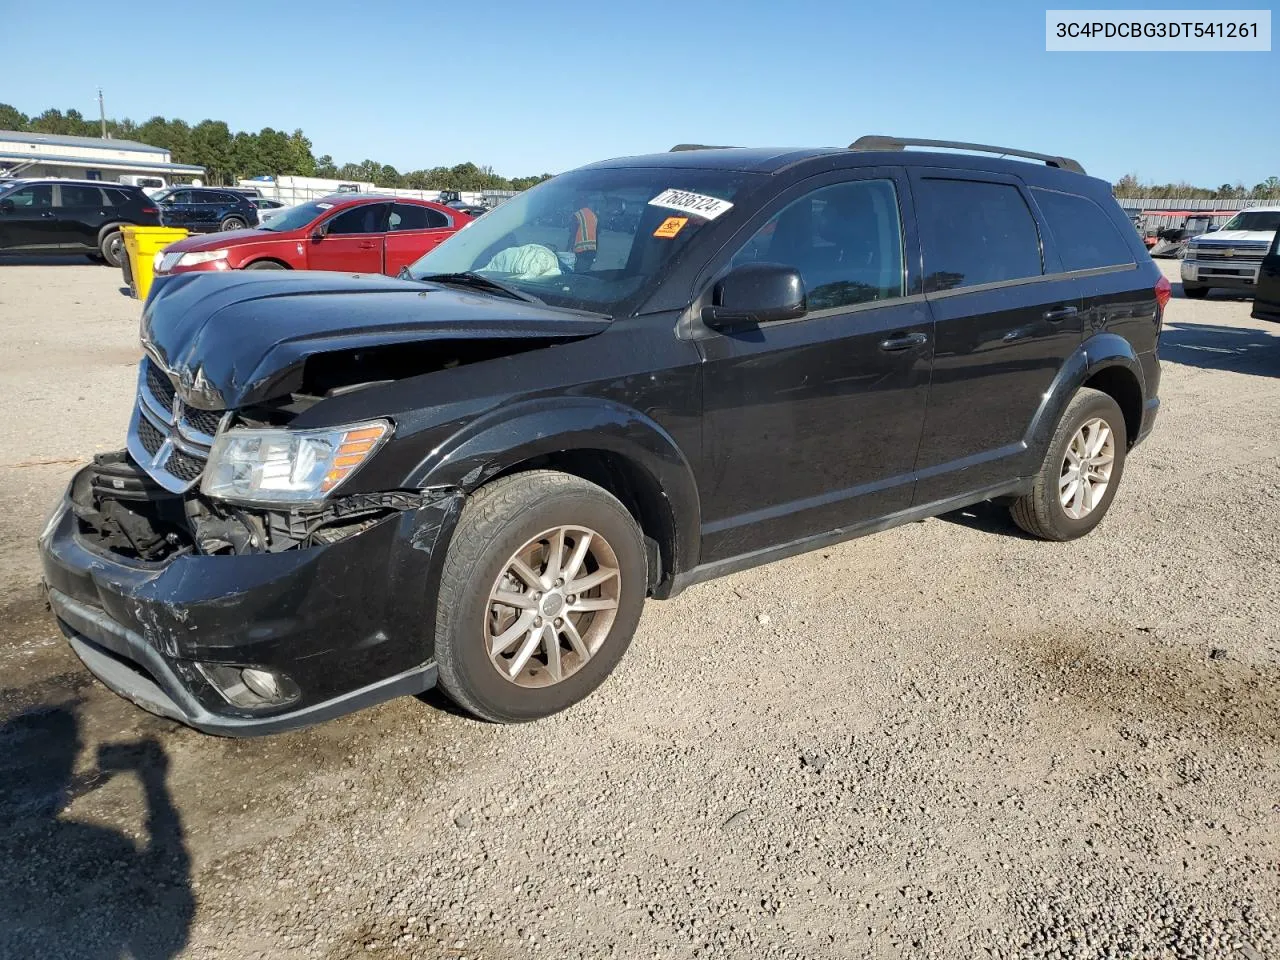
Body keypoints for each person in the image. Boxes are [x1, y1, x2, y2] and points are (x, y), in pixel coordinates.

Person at [569, 194, 598, 272]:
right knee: (586, 271)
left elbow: (572, 234)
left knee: (578, 274)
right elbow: (596, 235)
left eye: (576, 202)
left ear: (579, 203)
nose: (574, 204)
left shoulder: (577, 215)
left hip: (580, 252)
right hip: (592, 251)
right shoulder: (594, 215)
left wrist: (568, 249)